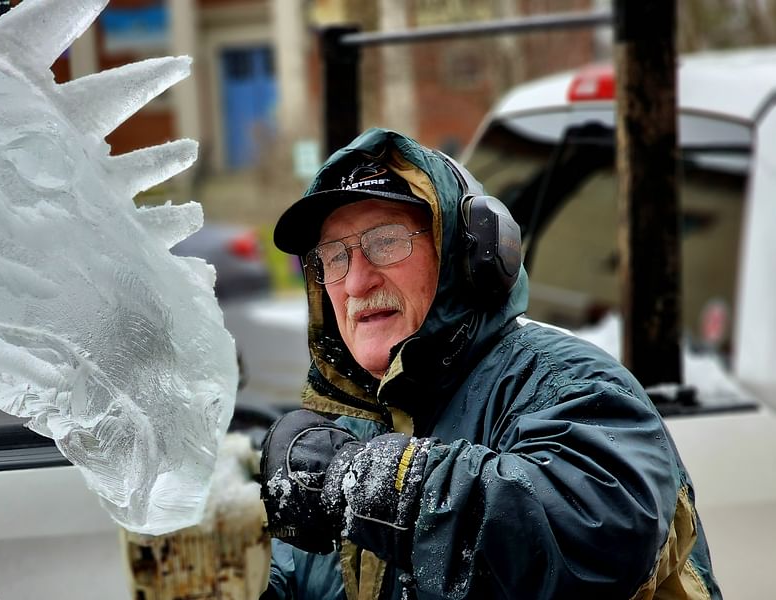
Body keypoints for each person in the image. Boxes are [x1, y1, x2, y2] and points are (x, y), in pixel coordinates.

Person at [258, 127, 720, 600]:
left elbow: (594, 535)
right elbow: (296, 579)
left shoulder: (569, 383)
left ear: (471, 254)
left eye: (386, 241)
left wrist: (380, 484)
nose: (355, 282)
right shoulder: (352, 433)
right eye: (333, 257)